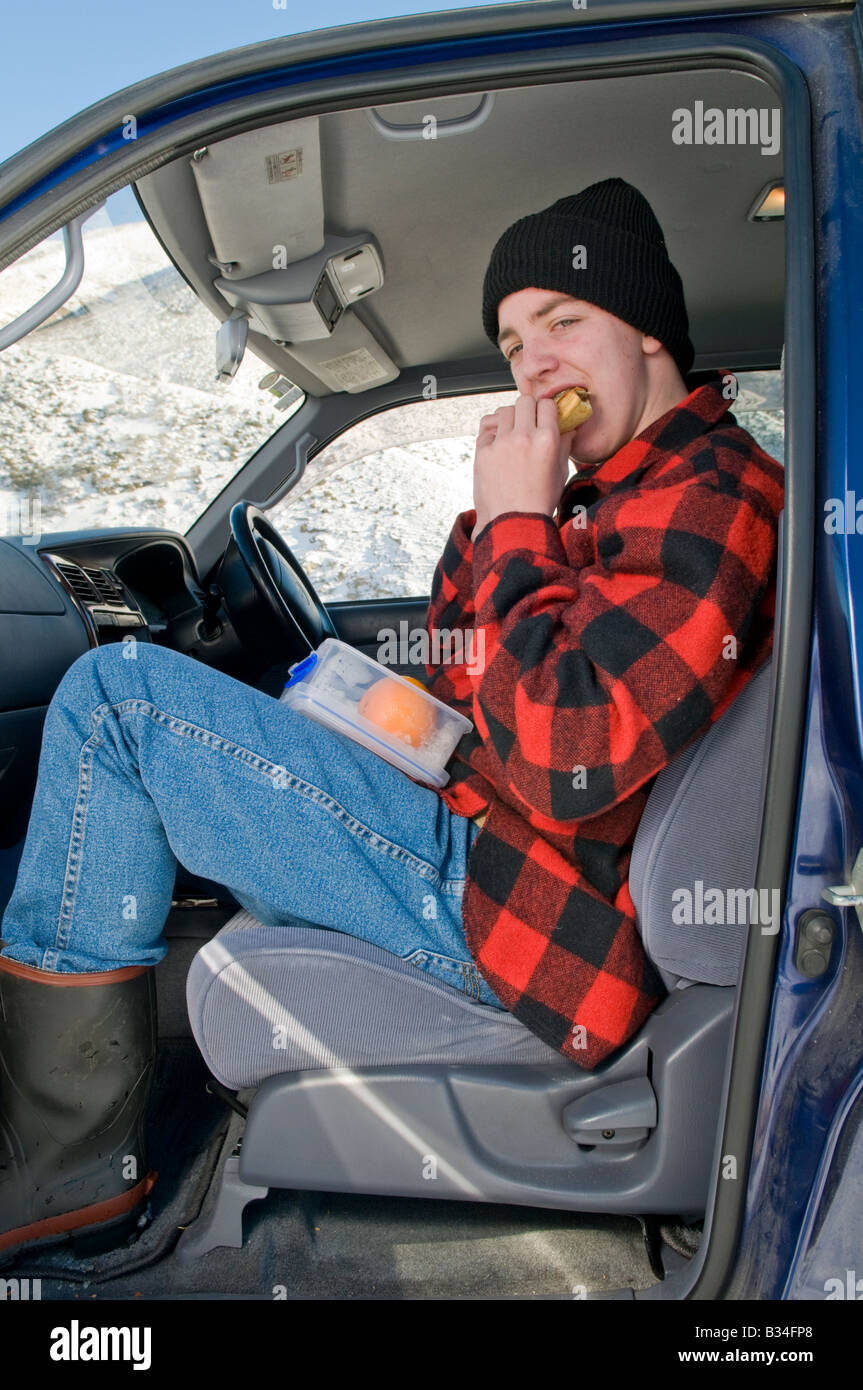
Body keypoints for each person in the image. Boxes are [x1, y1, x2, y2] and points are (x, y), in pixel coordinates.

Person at [0, 178, 784, 1262]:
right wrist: (492, 523)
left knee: (116, 703)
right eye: (512, 343)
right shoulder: (602, 499)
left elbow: (566, 757)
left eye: (563, 320)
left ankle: (53, 1165)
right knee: (249, 707)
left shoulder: (711, 494)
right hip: (485, 835)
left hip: (531, 914)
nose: (533, 362)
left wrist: (517, 523)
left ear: (648, 330)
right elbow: (481, 689)